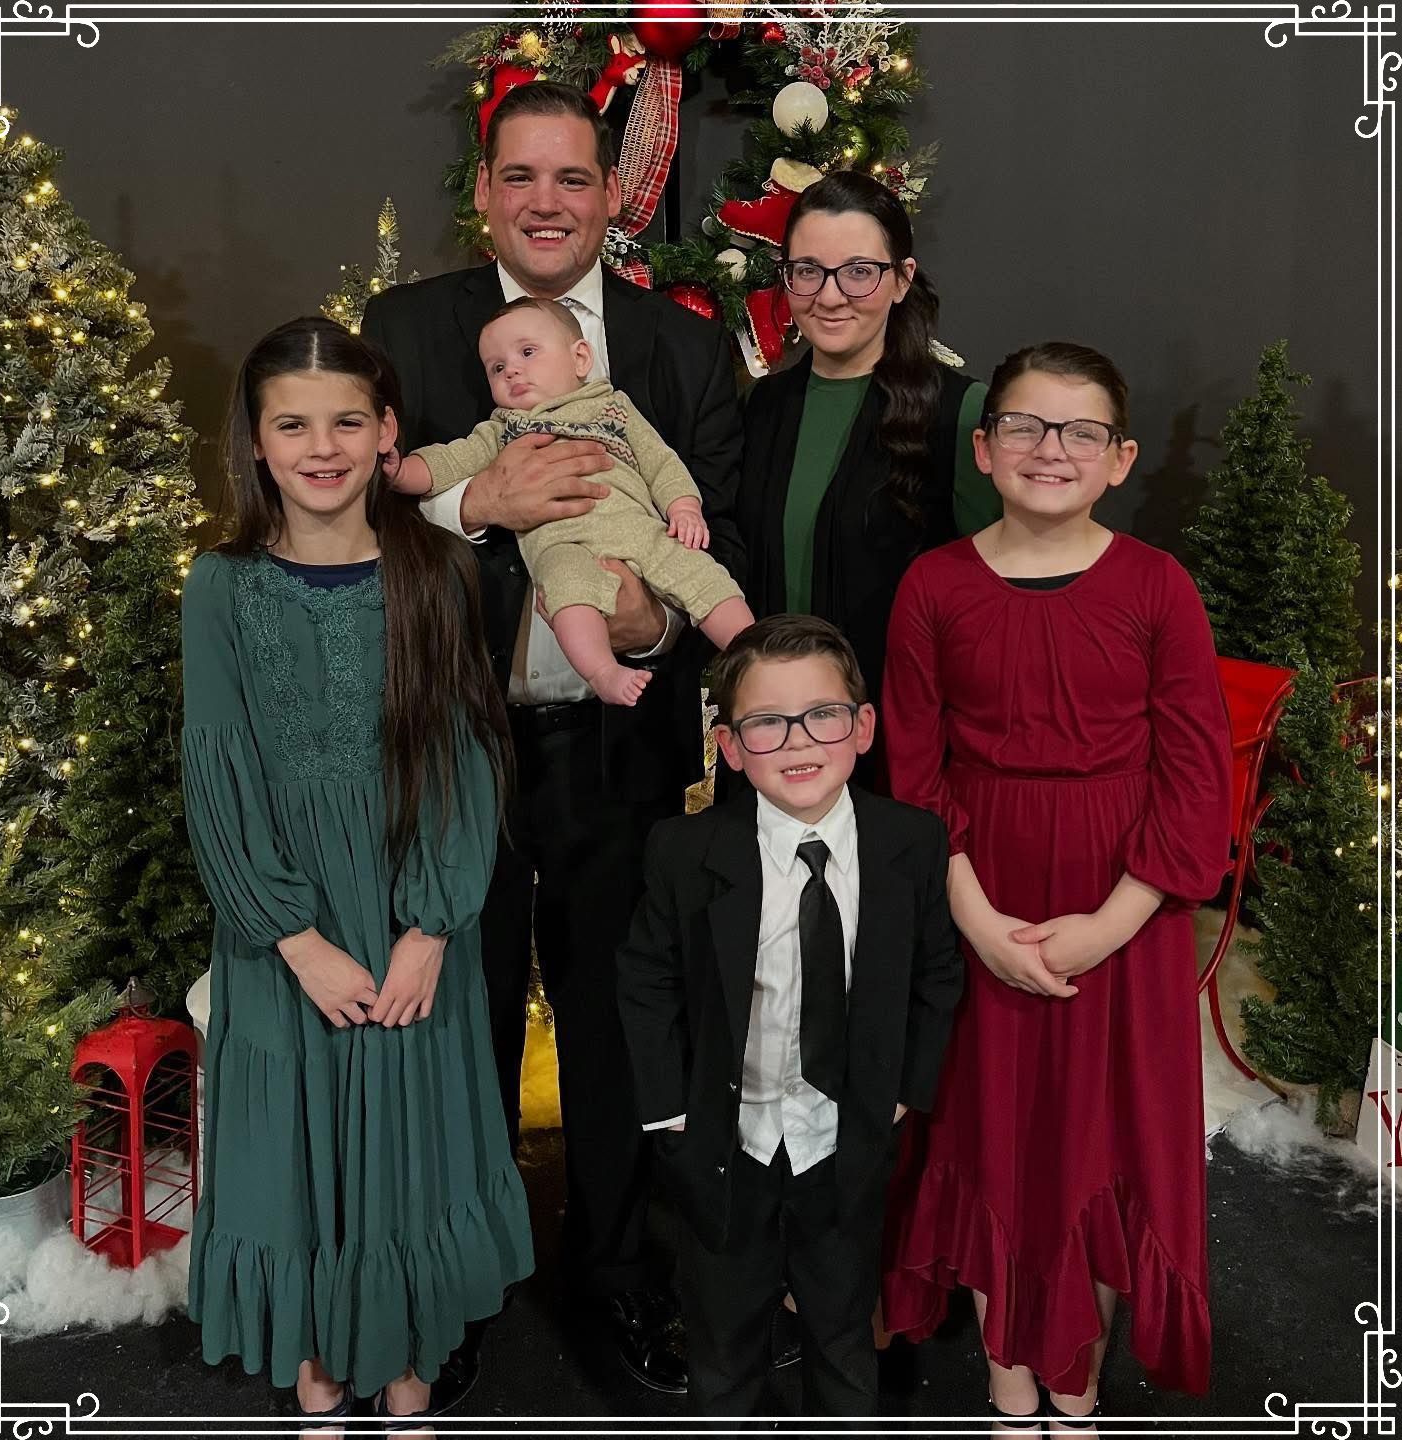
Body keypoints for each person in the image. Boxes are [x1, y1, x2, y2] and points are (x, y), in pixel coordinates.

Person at [362, 79, 744, 1392]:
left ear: (610, 195)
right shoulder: (406, 331)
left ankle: (617, 1272)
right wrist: (478, 503)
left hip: (614, 753)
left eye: (571, 178)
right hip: (450, 749)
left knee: (616, 1025)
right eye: (519, 176)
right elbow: (343, 513)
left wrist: (644, 622)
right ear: (482, 191)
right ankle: (456, 1278)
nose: (544, 202)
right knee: (454, 1021)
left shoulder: (681, 351)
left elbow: (720, 537)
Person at [181, 317, 533, 1430]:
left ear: (387, 432)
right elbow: (219, 769)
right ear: (255, 442)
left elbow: (465, 756)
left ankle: (412, 1353)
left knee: (411, 1133)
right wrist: (293, 935)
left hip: (409, 900)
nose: (320, 446)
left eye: (345, 421)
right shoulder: (222, 588)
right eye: (292, 423)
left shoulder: (440, 570)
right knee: (296, 1132)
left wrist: (430, 926)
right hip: (285, 926)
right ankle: (323, 1362)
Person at [879, 343, 1232, 1433]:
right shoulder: (933, 585)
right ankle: (1006, 1370)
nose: (1051, 450)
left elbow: (1195, 771)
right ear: (984, 449)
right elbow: (915, 766)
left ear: (1118, 459)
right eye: (1026, 427)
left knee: (1105, 1138)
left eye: (1081, 432)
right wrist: (977, 917)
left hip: (1120, 910)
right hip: (983, 892)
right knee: (995, 1137)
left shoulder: (1156, 586)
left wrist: (1112, 924)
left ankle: (1076, 1374)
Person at [617, 615, 965, 1416]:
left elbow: (937, 973)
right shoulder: (684, 849)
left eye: (823, 714)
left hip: (842, 1139)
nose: (799, 740)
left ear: (863, 726)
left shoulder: (909, 843)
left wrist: (905, 1088)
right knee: (722, 1340)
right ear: (731, 745)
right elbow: (645, 981)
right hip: (723, 1144)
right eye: (766, 723)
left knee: (843, 1336)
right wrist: (669, 1112)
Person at [736, 171, 1000, 777]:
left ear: (901, 279)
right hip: (772, 734)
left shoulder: (957, 411)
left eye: (858, 271)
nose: (829, 296)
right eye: (808, 270)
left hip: (899, 741)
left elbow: (989, 604)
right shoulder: (764, 406)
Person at [391, 296, 753, 705]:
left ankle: (753, 653)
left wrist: (683, 506)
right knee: (567, 592)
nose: (511, 369)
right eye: (496, 367)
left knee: (700, 573)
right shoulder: (501, 430)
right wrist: (401, 472)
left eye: (527, 352)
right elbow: (448, 460)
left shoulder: (612, 409)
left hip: (638, 528)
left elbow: (660, 462)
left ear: (580, 358)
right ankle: (603, 671)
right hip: (562, 545)